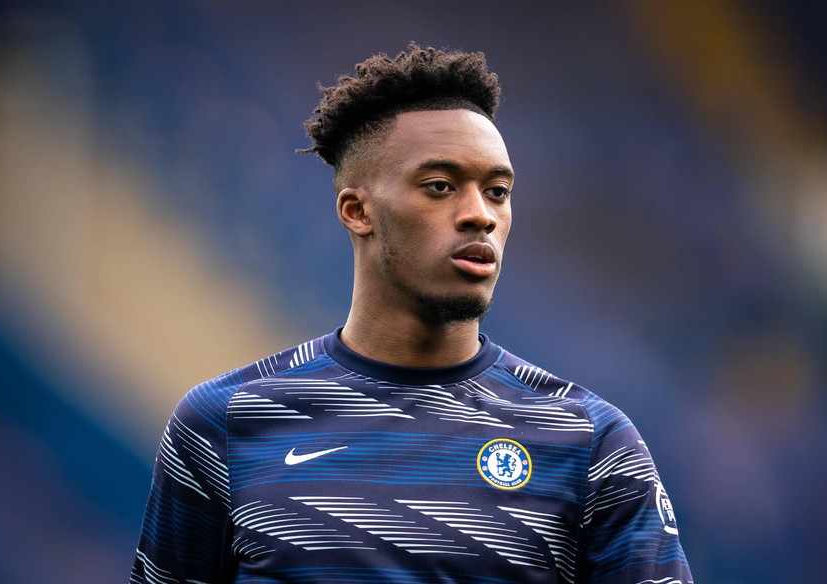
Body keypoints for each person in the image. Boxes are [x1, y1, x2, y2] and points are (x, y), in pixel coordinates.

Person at [131, 45, 693, 584]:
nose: (480, 215)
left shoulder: (588, 441)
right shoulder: (225, 424)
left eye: (497, 192)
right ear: (358, 211)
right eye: (440, 186)